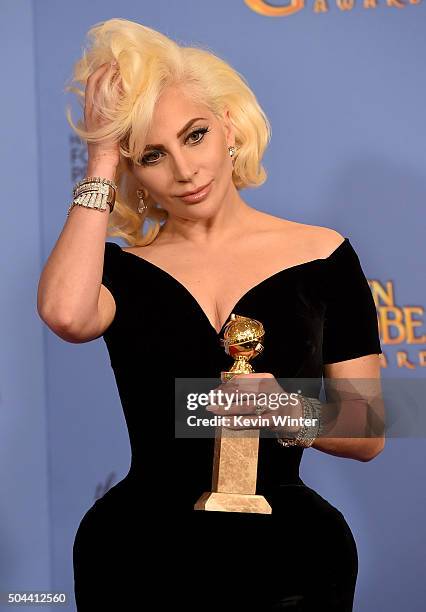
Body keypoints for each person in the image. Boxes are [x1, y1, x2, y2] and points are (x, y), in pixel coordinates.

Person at [37, 18, 385, 611]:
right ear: (133, 170)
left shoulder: (323, 253)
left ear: (228, 125)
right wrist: (99, 158)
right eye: (151, 154)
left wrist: (281, 406)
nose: (184, 170)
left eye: (194, 135)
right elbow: (67, 315)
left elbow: (371, 429)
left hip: (291, 559)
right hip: (138, 558)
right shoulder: (121, 270)